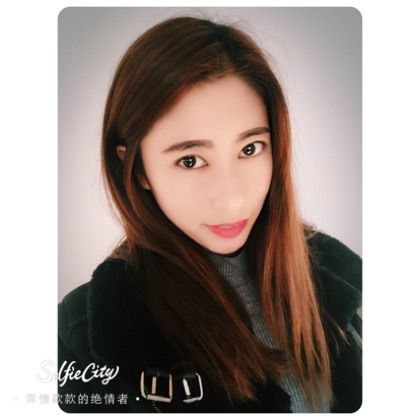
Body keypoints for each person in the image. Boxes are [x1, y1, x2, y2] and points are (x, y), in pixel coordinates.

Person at [58, 15, 362, 413]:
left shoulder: (339, 278)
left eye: (249, 149)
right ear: (137, 168)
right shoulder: (86, 335)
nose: (231, 198)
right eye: (190, 160)